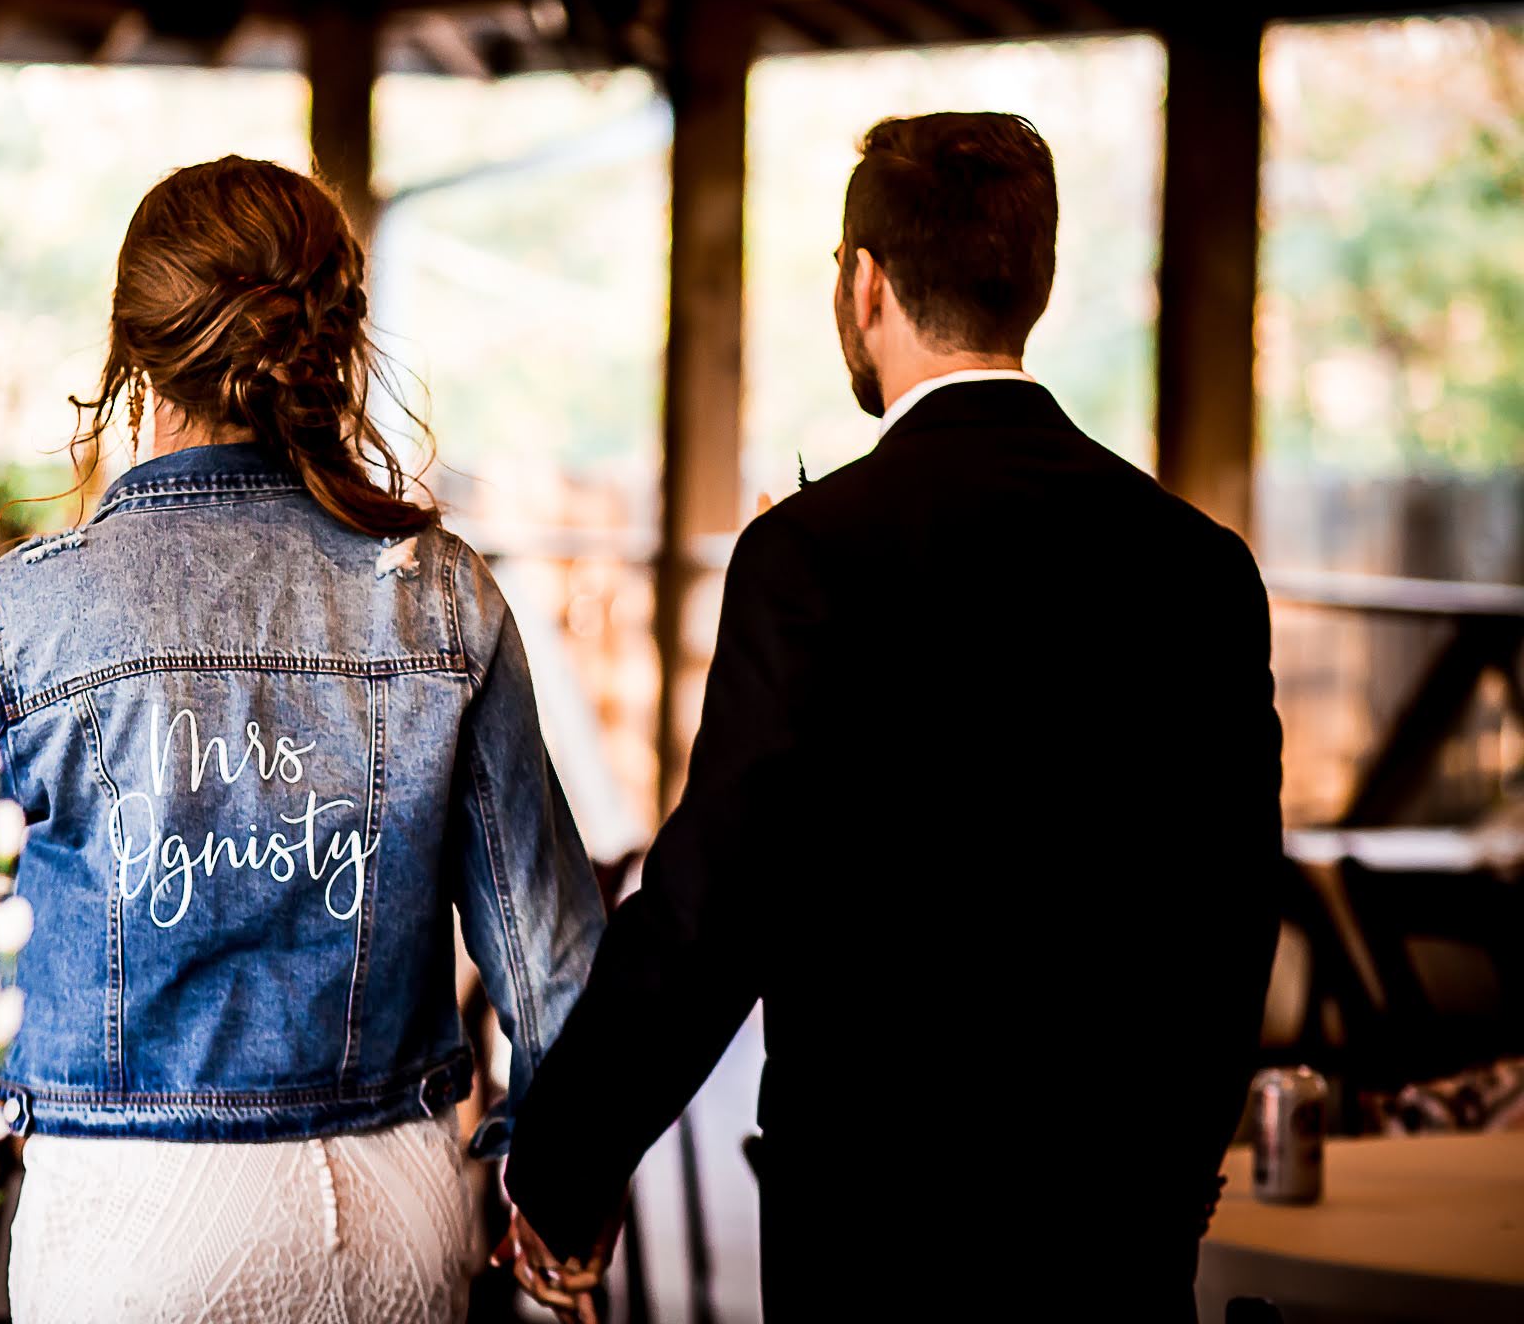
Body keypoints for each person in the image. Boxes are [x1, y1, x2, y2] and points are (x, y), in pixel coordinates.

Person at [0, 155, 606, 1323]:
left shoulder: (24, 617)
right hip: (401, 1201)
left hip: (140, 1212)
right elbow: (556, 961)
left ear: (129, 363)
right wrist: (553, 1181)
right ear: (330, 348)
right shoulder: (447, 598)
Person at [498, 114, 1284, 1321]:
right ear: (1035, 279)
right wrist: (1168, 1179)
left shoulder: (811, 557)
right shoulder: (1200, 566)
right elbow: (1235, 912)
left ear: (865, 286)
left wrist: (562, 1163)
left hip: (876, 1241)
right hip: (1121, 1244)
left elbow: (711, 911)